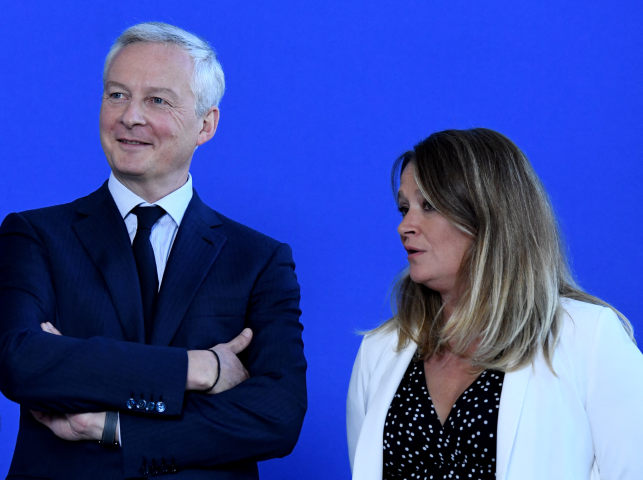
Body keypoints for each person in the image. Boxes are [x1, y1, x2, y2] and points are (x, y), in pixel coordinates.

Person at [0, 22, 307, 479]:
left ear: (206, 124)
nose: (130, 117)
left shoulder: (258, 259)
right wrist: (196, 368)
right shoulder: (35, 235)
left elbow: (276, 417)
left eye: (157, 100)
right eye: (117, 95)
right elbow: (21, 362)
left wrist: (111, 425)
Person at [346, 128, 643, 479]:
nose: (405, 226)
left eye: (428, 205)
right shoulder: (379, 351)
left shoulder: (589, 338)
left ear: (489, 216)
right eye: (403, 208)